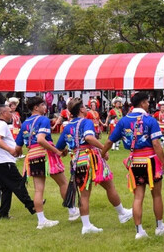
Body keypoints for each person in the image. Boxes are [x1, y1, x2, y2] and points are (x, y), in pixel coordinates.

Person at [56, 98, 132, 234]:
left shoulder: (67, 127)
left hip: (77, 161)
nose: (86, 108)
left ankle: (86, 225)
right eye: (84, 106)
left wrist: (67, 150)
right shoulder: (86, 122)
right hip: (91, 159)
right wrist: (104, 149)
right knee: (109, 186)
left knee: (84, 194)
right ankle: (121, 213)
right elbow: (89, 138)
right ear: (81, 110)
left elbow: (59, 147)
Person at [103, 91, 164, 239]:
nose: (148, 104)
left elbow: (109, 141)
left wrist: (102, 154)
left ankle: (139, 231)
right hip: (151, 161)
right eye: (147, 102)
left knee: (138, 197)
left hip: (135, 162)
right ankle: (160, 227)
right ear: (142, 103)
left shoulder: (123, 121)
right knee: (157, 195)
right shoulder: (150, 120)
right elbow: (156, 143)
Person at [15, 96, 80, 229]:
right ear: (36, 107)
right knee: (63, 183)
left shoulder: (25, 123)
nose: (45, 107)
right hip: (45, 155)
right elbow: (40, 139)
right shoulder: (43, 120)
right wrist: (56, 151)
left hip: (32, 156)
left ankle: (41, 220)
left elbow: (17, 147)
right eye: (43, 105)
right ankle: (72, 211)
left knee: (38, 190)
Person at [0, 105, 36, 220]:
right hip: (4, 161)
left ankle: (3, 214)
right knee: (18, 183)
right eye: (10, 112)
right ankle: (31, 206)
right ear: (3, 113)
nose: (12, 115)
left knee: (7, 188)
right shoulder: (1, 124)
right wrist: (11, 149)